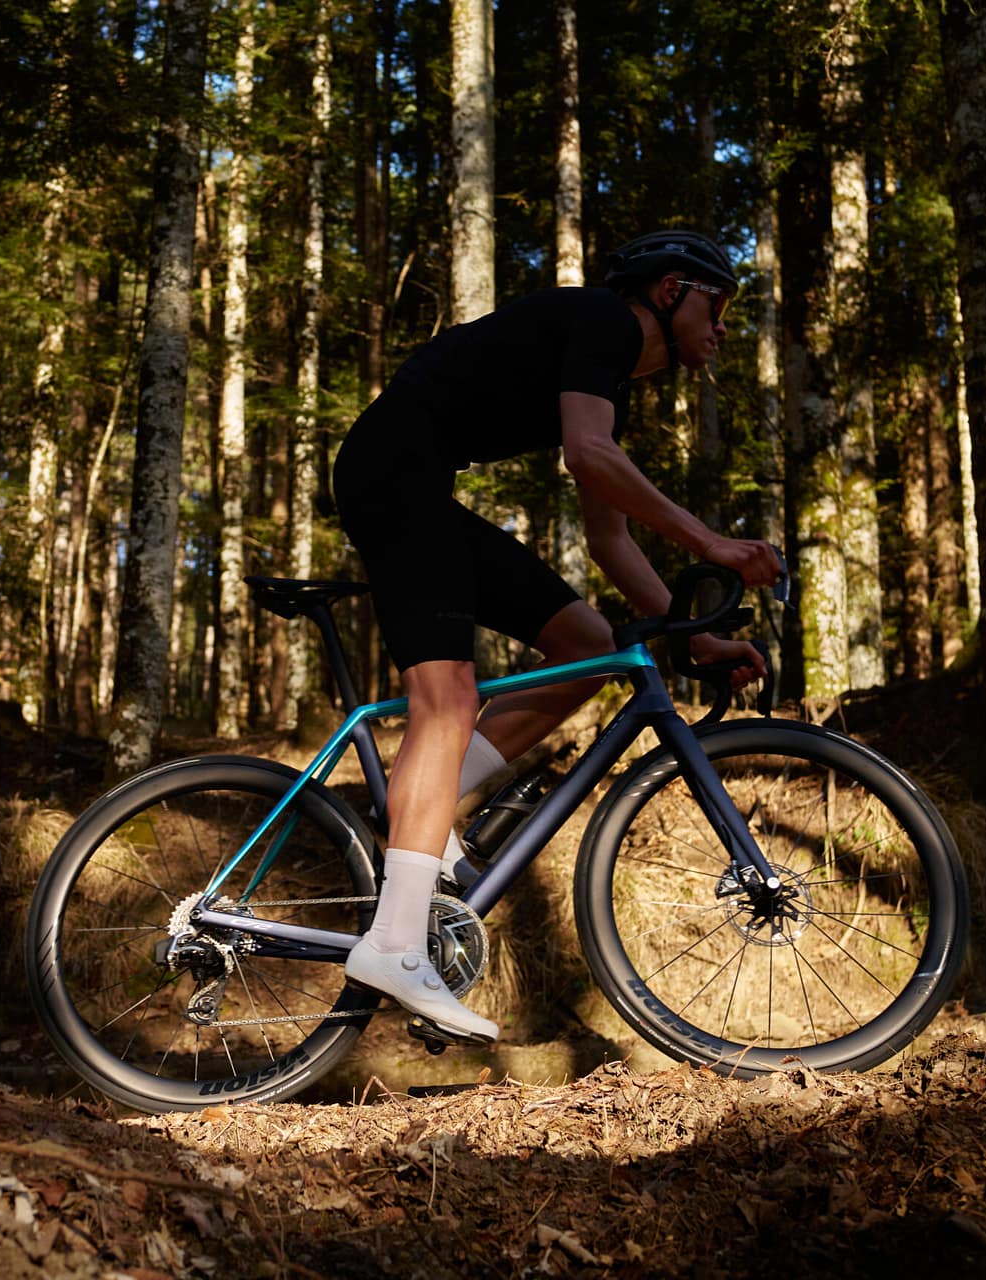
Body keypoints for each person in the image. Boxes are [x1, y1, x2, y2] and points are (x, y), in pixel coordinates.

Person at [331, 229, 784, 1043]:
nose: (722, 327)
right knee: (448, 698)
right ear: (672, 290)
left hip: (413, 481)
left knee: (590, 646)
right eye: (717, 304)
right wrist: (712, 544)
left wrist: (690, 641)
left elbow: (608, 537)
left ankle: (417, 812)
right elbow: (588, 455)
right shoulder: (605, 321)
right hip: (393, 476)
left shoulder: (607, 376)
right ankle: (394, 942)